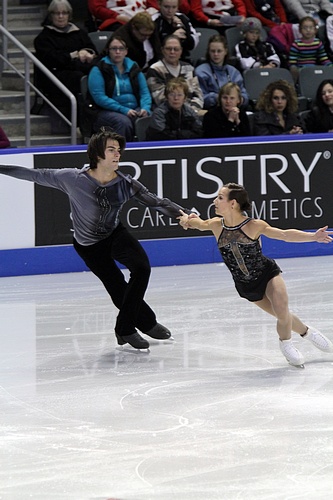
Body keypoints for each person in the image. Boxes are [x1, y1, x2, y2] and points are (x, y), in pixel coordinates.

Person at [0, 128, 192, 350]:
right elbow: (34, 174)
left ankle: (125, 328)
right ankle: (144, 323)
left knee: (142, 268)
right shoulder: (72, 179)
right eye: (111, 150)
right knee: (116, 285)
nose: (117, 154)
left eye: (118, 150)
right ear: (98, 154)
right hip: (89, 245)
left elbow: (157, 202)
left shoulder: (126, 184)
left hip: (114, 233)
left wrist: (184, 214)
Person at [178, 182, 333, 367]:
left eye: (220, 198)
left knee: (282, 310)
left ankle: (286, 344)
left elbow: (284, 234)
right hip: (246, 285)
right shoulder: (215, 225)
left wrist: (313, 237)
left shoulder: (253, 226)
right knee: (282, 315)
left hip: (267, 274)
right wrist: (186, 220)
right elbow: (197, 223)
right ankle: (308, 332)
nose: (214, 201)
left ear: (233, 203)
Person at [34, 0, 97, 113]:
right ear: (51, 15)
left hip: (81, 67)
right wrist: (73, 55)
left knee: (99, 71)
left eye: (64, 13)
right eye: (57, 13)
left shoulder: (79, 32)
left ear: (69, 14)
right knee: (78, 77)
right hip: (57, 74)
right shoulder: (43, 38)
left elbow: (92, 49)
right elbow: (52, 59)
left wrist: (86, 52)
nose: (61, 16)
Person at [87, 35, 152, 141]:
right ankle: (120, 154)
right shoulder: (99, 69)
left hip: (134, 109)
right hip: (105, 111)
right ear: (108, 51)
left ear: (126, 51)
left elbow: (144, 91)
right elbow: (99, 98)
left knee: (150, 118)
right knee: (123, 122)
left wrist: (145, 108)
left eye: (121, 48)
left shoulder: (134, 67)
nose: (118, 52)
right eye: (114, 48)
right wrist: (124, 110)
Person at [146, 34, 204, 113]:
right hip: (167, 113)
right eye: (168, 49)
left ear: (181, 51)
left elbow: (198, 95)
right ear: (162, 50)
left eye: (176, 49)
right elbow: (160, 99)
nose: (172, 52)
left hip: (192, 112)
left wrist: (193, 110)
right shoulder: (155, 69)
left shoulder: (189, 68)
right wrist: (186, 111)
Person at [195, 34, 249, 109]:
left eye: (219, 51)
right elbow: (199, 98)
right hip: (211, 110)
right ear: (208, 52)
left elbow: (244, 95)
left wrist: (240, 100)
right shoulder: (200, 72)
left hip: (234, 110)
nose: (216, 54)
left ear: (225, 51)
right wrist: (219, 98)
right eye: (213, 51)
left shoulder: (234, 72)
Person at [288, 16, 332, 83]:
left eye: (311, 28)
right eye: (305, 28)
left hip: (314, 67)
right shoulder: (296, 44)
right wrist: (295, 69)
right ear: (300, 30)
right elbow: (292, 62)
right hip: (301, 68)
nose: (308, 30)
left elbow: (323, 58)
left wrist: (330, 65)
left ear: (315, 30)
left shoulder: (318, 43)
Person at [87, 0, 156, 32]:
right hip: (118, 20)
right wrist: (117, 17)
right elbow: (97, 9)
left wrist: (146, 16)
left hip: (145, 19)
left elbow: (154, 6)